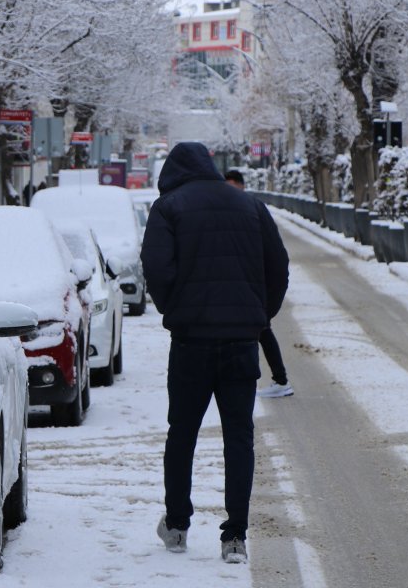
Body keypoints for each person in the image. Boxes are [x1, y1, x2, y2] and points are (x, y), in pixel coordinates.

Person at [142, 143, 289, 564]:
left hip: (191, 342)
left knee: (182, 433)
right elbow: (277, 266)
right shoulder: (250, 206)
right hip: (242, 343)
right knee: (239, 437)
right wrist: (259, 316)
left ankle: (176, 525)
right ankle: (235, 536)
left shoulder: (168, 208)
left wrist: (176, 309)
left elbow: (155, 268)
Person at [225, 169, 294, 398]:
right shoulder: (238, 210)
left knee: (260, 330)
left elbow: (274, 255)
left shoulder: (253, 209)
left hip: (256, 286)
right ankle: (277, 379)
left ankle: (280, 380)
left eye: (233, 187)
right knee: (259, 332)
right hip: (247, 286)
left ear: (242, 186)